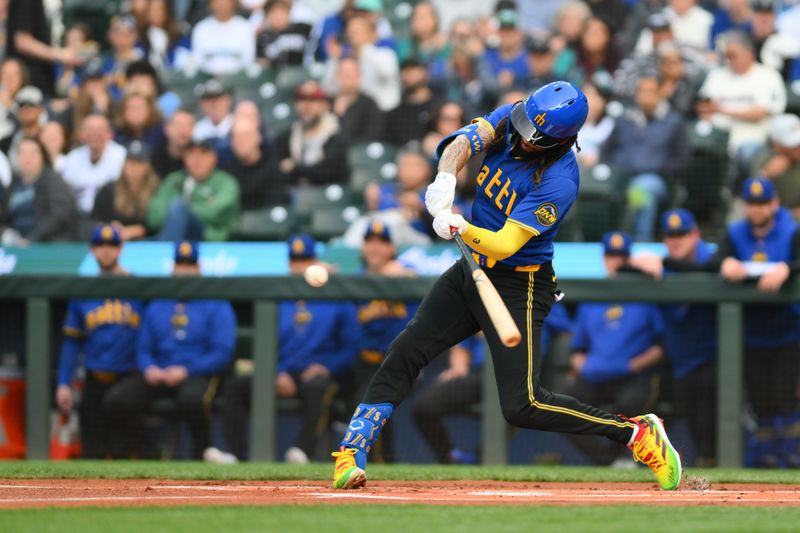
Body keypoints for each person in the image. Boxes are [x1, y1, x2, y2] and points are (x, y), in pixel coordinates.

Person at [331, 81, 682, 491]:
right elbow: (462, 141)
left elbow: (504, 244)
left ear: (557, 140)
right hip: (471, 269)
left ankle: (637, 434)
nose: (518, 132)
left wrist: (462, 225)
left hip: (521, 283)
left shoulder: (560, 180)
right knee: (408, 347)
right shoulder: (517, 116)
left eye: (531, 133)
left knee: (524, 405)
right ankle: (353, 449)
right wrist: (445, 178)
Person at [657, 178, 800, 467]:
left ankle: (791, 456)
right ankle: (768, 459)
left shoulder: (792, 231)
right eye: (752, 204)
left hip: (787, 330)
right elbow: (710, 263)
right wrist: (724, 264)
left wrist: (788, 267)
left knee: (785, 399)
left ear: (774, 204)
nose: (757, 210)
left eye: (762, 203)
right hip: (749, 333)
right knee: (761, 401)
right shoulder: (735, 233)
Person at [213, 235, 359, 463]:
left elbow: (351, 346)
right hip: (281, 371)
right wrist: (276, 371)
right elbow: (265, 342)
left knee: (317, 387)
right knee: (236, 387)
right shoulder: (279, 296)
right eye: (295, 260)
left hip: (319, 372)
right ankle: (234, 454)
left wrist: (327, 367)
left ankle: (303, 451)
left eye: (306, 259)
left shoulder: (336, 294)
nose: (299, 266)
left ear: (316, 262)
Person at [104, 240, 237, 460]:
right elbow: (143, 347)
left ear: (199, 268)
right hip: (160, 373)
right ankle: (149, 455)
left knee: (192, 399)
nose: (184, 270)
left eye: (190, 264)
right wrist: (149, 368)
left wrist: (187, 370)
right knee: (117, 400)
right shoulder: (158, 302)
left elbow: (223, 351)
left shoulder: (216, 302)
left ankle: (203, 454)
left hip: (197, 372)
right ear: (173, 267)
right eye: (180, 264)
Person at [564, 232, 665, 465]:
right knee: (562, 408)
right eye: (611, 255)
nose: (616, 261)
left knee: (629, 406)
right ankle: (607, 461)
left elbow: (661, 347)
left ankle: (623, 458)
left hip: (633, 376)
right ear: (604, 258)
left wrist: (632, 365)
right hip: (595, 377)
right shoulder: (592, 296)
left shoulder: (646, 293)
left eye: (621, 256)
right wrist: (586, 367)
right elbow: (577, 349)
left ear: (629, 259)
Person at [628, 209, 718, 466]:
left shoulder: (710, 259)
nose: (676, 240)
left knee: (713, 421)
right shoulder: (661, 264)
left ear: (696, 235)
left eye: (682, 234)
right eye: (670, 235)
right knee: (688, 419)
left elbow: (706, 268)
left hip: (714, 360)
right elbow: (619, 266)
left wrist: (663, 263)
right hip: (679, 361)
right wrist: (638, 261)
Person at [55, 224, 143, 459]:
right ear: (92, 249)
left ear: (121, 248)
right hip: (95, 378)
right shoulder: (84, 289)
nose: (106, 251)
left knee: (124, 453)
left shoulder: (136, 285)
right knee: (91, 454)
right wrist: (64, 382)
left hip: (129, 378)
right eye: (100, 245)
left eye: (112, 245)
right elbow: (72, 341)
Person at [353, 221, 416, 463]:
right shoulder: (353, 283)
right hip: (363, 364)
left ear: (391, 249)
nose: (375, 247)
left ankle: (382, 464)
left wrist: (407, 277)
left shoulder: (405, 278)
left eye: (382, 242)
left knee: (379, 398)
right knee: (368, 397)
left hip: (399, 365)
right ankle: (377, 464)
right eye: (370, 241)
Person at [601, 75, 689, 241]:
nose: (646, 96)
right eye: (642, 91)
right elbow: (606, 151)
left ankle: (640, 241)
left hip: (655, 179)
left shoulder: (673, 121)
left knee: (642, 188)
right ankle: (596, 240)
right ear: (636, 95)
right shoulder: (624, 120)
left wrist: (659, 167)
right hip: (621, 175)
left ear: (660, 94)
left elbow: (682, 159)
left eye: (651, 92)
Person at [696, 31, 786, 179]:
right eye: (726, 56)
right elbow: (704, 108)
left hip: (754, 139)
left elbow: (759, 113)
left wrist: (721, 110)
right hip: (718, 137)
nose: (729, 60)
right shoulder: (717, 75)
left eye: (733, 55)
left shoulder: (768, 75)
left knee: (747, 153)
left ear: (749, 53)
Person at [147, 137, 241, 242]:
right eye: (191, 153)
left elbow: (216, 213)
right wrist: (180, 214)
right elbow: (154, 218)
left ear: (214, 157)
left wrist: (181, 212)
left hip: (209, 239)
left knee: (178, 207)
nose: (197, 159)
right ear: (184, 157)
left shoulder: (226, 182)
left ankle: (165, 255)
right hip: (173, 236)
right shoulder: (174, 181)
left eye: (203, 153)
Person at [0, 137, 76, 243]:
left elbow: (59, 215)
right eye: (23, 153)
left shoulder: (54, 181)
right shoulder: (13, 184)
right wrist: (5, 232)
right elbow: (3, 218)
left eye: (32, 153)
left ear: (42, 156)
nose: (27, 158)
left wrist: (32, 239)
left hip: (46, 245)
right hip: (15, 245)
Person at [274, 81, 348, 186]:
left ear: (324, 105)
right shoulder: (289, 136)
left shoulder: (335, 135)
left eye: (313, 100)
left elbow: (328, 172)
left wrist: (295, 168)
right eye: (302, 99)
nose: (307, 106)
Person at [324, 13, 400, 113]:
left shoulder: (386, 54)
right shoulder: (346, 60)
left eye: (358, 31)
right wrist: (334, 59)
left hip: (385, 112)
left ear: (372, 34)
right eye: (350, 31)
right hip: (357, 114)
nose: (352, 35)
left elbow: (387, 73)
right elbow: (329, 89)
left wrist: (365, 48)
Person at [6, 0, 84, 96]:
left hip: (43, 80)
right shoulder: (26, 2)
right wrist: (62, 55)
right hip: (31, 83)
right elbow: (22, 40)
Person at [92, 141, 160, 241]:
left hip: (147, 245)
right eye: (130, 162)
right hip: (111, 242)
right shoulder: (109, 190)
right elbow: (95, 218)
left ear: (147, 166)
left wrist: (139, 230)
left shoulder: (157, 190)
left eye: (139, 163)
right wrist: (108, 227)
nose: (133, 168)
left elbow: (160, 222)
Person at [61, 114, 127, 215]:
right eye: (89, 129)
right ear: (81, 134)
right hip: (77, 216)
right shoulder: (72, 158)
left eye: (99, 130)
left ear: (110, 133)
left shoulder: (121, 156)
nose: (94, 134)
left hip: (109, 214)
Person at [223, 119, 285, 211]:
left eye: (246, 135)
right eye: (235, 136)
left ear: (258, 137)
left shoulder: (275, 164)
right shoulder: (226, 173)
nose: (240, 140)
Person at [752, 114, 800, 219]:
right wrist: (765, 175)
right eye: (793, 145)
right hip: (775, 219)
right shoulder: (764, 159)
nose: (798, 147)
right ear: (776, 145)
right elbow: (753, 197)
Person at [190, 0, 255, 75]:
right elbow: (198, 60)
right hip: (207, 79)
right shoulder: (200, 28)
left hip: (238, 80)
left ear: (233, 3)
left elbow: (248, 60)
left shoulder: (245, 27)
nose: (222, 4)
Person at [384, 58, 439, 146]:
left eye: (411, 70)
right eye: (404, 71)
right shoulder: (395, 114)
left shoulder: (439, 108)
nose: (407, 75)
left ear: (425, 73)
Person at [330, 57, 385, 144]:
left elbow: (373, 136)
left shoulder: (369, 105)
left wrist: (345, 116)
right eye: (343, 73)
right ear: (337, 76)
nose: (347, 76)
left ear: (359, 76)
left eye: (350, 73)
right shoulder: (328, 103)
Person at [256, 0, 312, 68]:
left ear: (288, 12)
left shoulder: (304, 29)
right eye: (273, 13)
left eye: (281, 12)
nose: (277, 17)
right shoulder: (263, 37)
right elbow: (261, 63)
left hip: (302, 74)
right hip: (274, 76)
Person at [193, 79, 234, 165]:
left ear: (228, 100)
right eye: (208, 100)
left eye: (218, 98)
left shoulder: (238, 124)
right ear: (201, 104)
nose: (213, 104)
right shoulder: (197, 129)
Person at [4, 85, 46, 169]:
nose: (26, 108)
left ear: (41, 109)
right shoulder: (6, 141)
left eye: (32, 104)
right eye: (22, 105)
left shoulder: (49, 138)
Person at [150, 108, 195, 179]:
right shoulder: (154, 155)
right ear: (167, 128)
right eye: (178, 125)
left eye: (188, 125)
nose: (183, 130)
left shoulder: (200, 156)